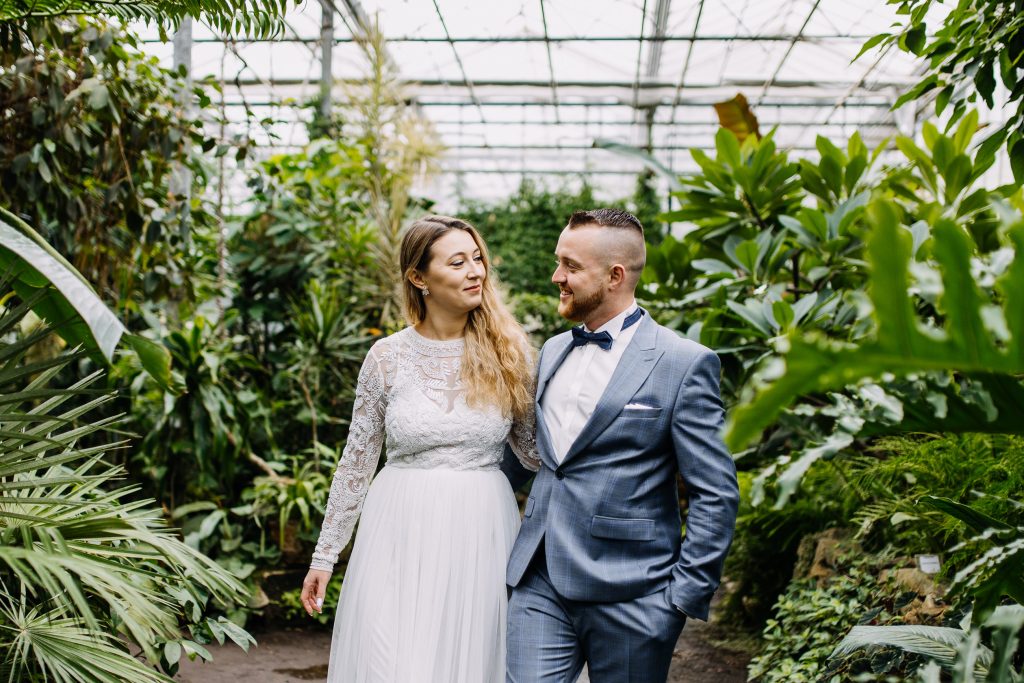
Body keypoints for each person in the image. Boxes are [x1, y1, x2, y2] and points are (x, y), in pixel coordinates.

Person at [503, 208, 740, 683]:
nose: (556, 277)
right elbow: (535, 457)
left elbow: (715, 492)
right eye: (558, 262)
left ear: (615, 276)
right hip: (539, 581)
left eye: (570, 266)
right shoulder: (553, 349)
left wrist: (680, 599)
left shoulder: (683, 363)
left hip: (635, 596)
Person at [301, 215, 540, 683]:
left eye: (478, 259)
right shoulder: (386, 357)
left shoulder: (511, 353)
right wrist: (325, 556)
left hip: (481, 530)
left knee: (469, 659)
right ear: (418, 277)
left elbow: (536, 455)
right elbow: (356, 464)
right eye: (458, 262)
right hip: (397, 528)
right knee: (391, 660)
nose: (475, 271)